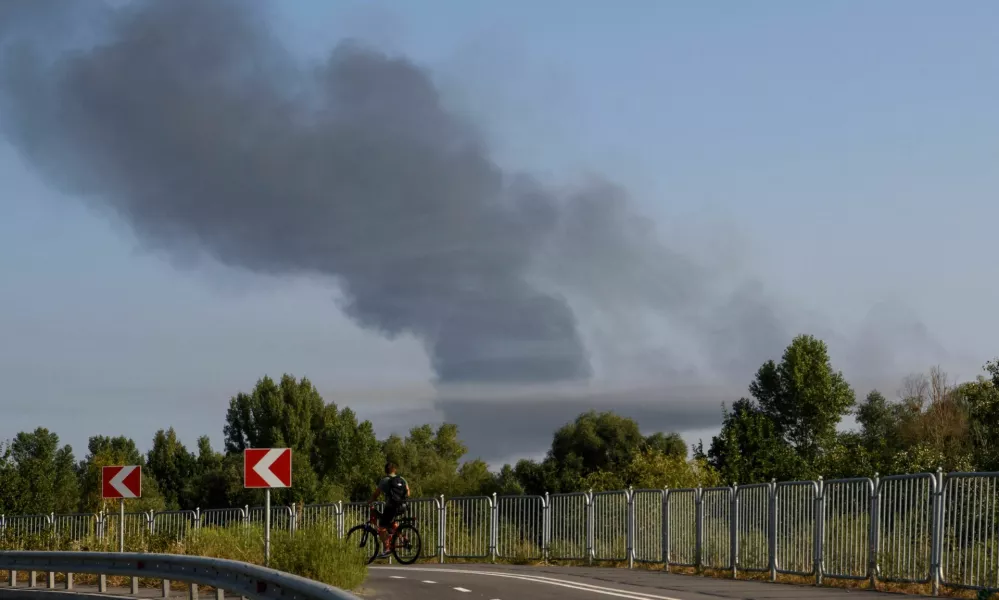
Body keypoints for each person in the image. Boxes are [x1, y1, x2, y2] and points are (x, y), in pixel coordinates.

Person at [368, 461, 410, 557]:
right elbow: (408, 493)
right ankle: (404, 539)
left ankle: (387, 549)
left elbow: (376, 494)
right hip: (402, 506)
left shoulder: (384, 480)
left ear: (385, 470)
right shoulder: (401, 479)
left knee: (382, 526)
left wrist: (370, 501)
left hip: (391, 506)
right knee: (392, 523)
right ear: (394, 470)